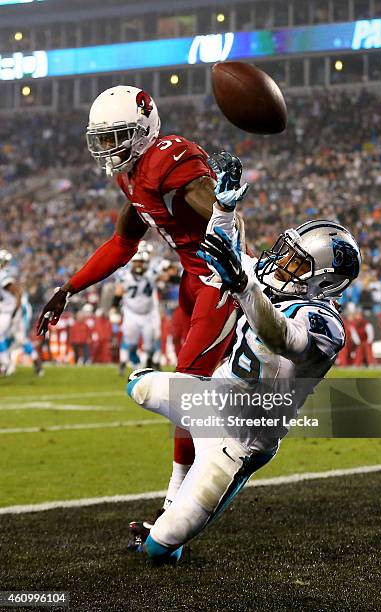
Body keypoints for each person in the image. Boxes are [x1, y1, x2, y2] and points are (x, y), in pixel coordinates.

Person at [36, 86, 246, 516]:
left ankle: (176, 504)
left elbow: (227, 220)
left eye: (118, 135)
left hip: (218, 279)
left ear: (145, 128)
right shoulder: (131, 174)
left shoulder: (169, 158)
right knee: (202, 388)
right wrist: (69, 288)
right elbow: (121, 244)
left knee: (187, 389)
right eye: (104, 137)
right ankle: (219, 457)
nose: (109, 148)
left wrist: (222, 205)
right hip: (193, 281)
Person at [126, 194, 361, 563]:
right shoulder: (268, 282)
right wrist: (223, 207)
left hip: (238, 442)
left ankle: (173, 526)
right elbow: (223, 250)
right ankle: (172, 500)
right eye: (287, 252)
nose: (282, 262)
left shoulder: (325, 324)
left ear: (324, 282)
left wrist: (242, 285)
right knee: (137, 383)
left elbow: (282, 337)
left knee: (160, 548)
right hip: (210, 400)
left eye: (296, 262)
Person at [113, 249, 163, 374]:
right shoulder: (125, 276)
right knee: (131, 344)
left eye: (141, 262)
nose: (138, 265)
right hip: (131, 314)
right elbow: (118, 292)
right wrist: (114, 308)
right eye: (136, 262)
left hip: (148, 314)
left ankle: (149, 364)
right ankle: (136, 367)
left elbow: (165, 276)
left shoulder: (152, 274)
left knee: (149, 346)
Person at [0, 250, 22, 376]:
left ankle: (6, 364)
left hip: (8, 312)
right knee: (5, 338)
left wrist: (15, 312)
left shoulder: (3, 275)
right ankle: (5, 364)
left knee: (9, 337)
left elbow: (17, 292)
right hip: (4, 310)